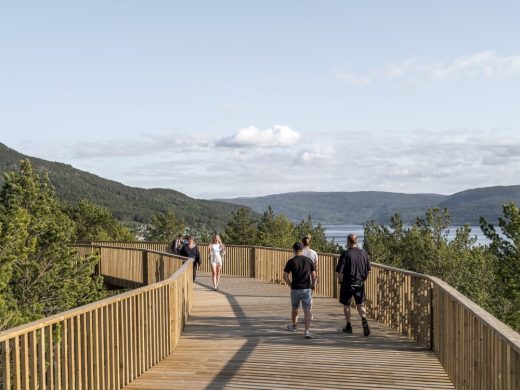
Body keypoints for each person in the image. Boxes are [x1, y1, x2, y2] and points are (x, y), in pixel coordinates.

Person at [336, 234, 371, 336]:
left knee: (346, 305)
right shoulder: (364, 253)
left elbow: (339, 272)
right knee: (360, 304)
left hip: (347, 283)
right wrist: (364, 279)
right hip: (359, 282)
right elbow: (369, 270)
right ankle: (364, 318)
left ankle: (348, 326)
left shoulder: (346, 254)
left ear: (348, 241)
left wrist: (340, 281)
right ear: (357, 241)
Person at [283, 242, 317, 339]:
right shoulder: (309, 260)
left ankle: (294, 326)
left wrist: (290, 285)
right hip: (306, 289)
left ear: (294, 250)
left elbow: (285, 276)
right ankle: (307, 331)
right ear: (302, 250)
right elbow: (314, 275)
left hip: (295, 289)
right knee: (307, 311)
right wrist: (313, 285)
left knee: (295, 308)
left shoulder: (291, 261)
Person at [302, 234, 318, 318]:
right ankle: (309, 313)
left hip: (301, 276)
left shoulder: (300, 252)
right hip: (311, 276)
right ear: (309, 243)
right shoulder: (314, 253)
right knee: (310, 296)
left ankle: (306, 314)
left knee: (302, 296)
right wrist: (315, 279)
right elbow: (316, 266)